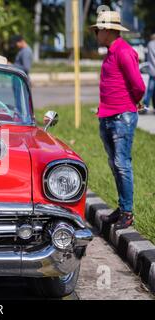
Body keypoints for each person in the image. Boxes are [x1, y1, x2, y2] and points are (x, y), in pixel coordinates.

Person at [91, 11, 146, 229]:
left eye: (98, 29)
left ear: (109, 31)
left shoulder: (123, 52)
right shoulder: (111, 52)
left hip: (121, 117)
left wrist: (130, 104)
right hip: (108, 116)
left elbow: (139, 86)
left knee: (122, 164)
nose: (96, 33)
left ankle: (127, 212)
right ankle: (122, 207)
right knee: (115, 165)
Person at [142, 33, 155, 114]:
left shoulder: (150, 44)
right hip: (153, 70)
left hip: (152, 71)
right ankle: (145, 107)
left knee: (150, 91)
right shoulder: (152, 44)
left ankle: (145, 107)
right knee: (150, 91)